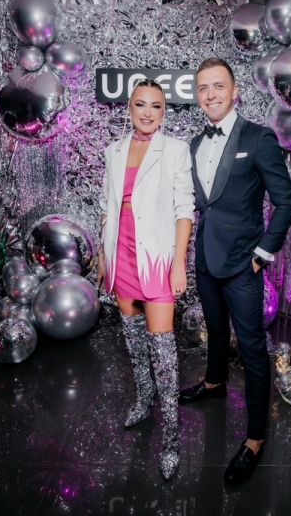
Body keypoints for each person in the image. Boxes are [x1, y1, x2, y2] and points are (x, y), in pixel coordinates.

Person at [179, 58, 291, 486]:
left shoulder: (259, 138)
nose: (210, 94)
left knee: (251, 348)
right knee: (214, 328)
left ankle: (254, 438)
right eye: (203, 88)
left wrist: (263, 253)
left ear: (234, 92)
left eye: (218, 86)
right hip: (206, 260)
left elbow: (286, 203)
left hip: (244, 264)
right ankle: (213, 383)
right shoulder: (194, 144)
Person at [97, 79, 195, 480]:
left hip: (155, 258)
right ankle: (142, 400)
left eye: (156, 106)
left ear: (164, 111)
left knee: (164, 354)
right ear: (129, 108)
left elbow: (184, 209)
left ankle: (170, 439)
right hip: (119, 254)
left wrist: (178, 263)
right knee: (135, 344)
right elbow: (106, 207)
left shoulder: (175, 150)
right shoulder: (113, 150)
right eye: (141, 104)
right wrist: (103, 257)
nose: (148, 112)